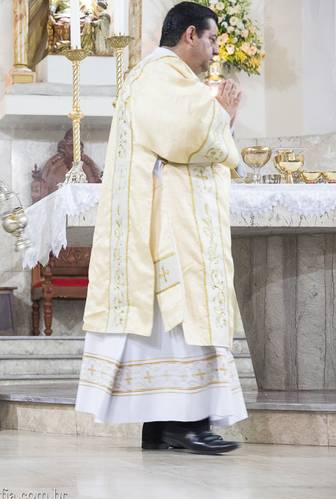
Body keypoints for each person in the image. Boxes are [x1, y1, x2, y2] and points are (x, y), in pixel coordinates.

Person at [75, 1, 247, 454]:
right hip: (166, 228)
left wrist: (217, 117)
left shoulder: (170, 78)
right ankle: (181, 424)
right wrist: (224, 114)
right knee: (176, 322)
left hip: (172, 219)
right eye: (211, 40)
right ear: (190, 34)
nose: (214, 52)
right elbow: (185, 137)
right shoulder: (158, 75)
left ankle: (166, 426)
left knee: (171, 325)